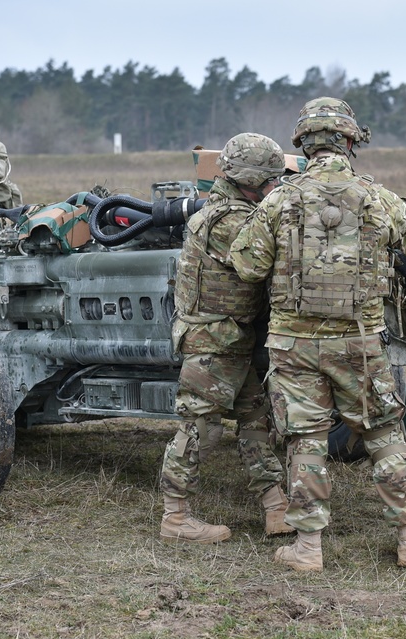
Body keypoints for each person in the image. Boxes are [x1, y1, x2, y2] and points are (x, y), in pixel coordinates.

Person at [229, 97, 406, 572]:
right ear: (350, 140)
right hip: (360, 342)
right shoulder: (378, 197)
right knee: (382, 432)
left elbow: (245, 264)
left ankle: (308, 548)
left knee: (306, 439)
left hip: (294, 345)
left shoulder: (281, 198)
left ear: (303, 143)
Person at [159, 132, 293, 544]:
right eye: (270, 180)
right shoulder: (227, 221)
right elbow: (269, 260)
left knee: (255, 421)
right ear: (249, 179)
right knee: (200, 428)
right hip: (211, 342)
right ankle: (175, 518)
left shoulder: (234, 210)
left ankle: (276, 506)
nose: (275, 187)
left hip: (232, 340)